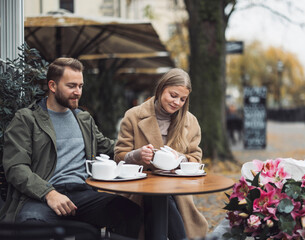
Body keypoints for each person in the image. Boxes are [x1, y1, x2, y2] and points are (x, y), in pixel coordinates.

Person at [0, 57, 142, 238]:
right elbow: (16, 167)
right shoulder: (27, 119)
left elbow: (107, 147)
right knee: (31, 225)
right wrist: (49, 193)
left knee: (129, 212)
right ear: (52, 86)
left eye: (80, 86)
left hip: (83, 194)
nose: (78, 92)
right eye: (71, 86)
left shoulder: (83, 118)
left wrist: (135, 154)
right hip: (41, 196)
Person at [114, 68, 208, 239]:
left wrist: (180, 159)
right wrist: (137, 155)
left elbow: (195, 157)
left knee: (161, 197)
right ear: (160, 89)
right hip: (139, 191)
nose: (177, 102)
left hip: (177, 191)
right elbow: (119, 155)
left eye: (182, 99)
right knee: (155, 195)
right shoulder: (133, 116)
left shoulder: (190, 121)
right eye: (173, 95)